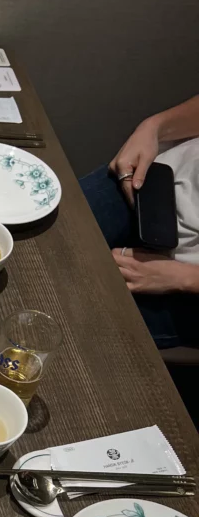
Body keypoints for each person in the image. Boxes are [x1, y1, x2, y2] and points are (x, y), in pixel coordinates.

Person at [81, 95, 199, 353]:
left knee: (79, 322)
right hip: (159, 184)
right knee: (46, 240)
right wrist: (154, 126)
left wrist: (187, 278)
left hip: (189, 281)